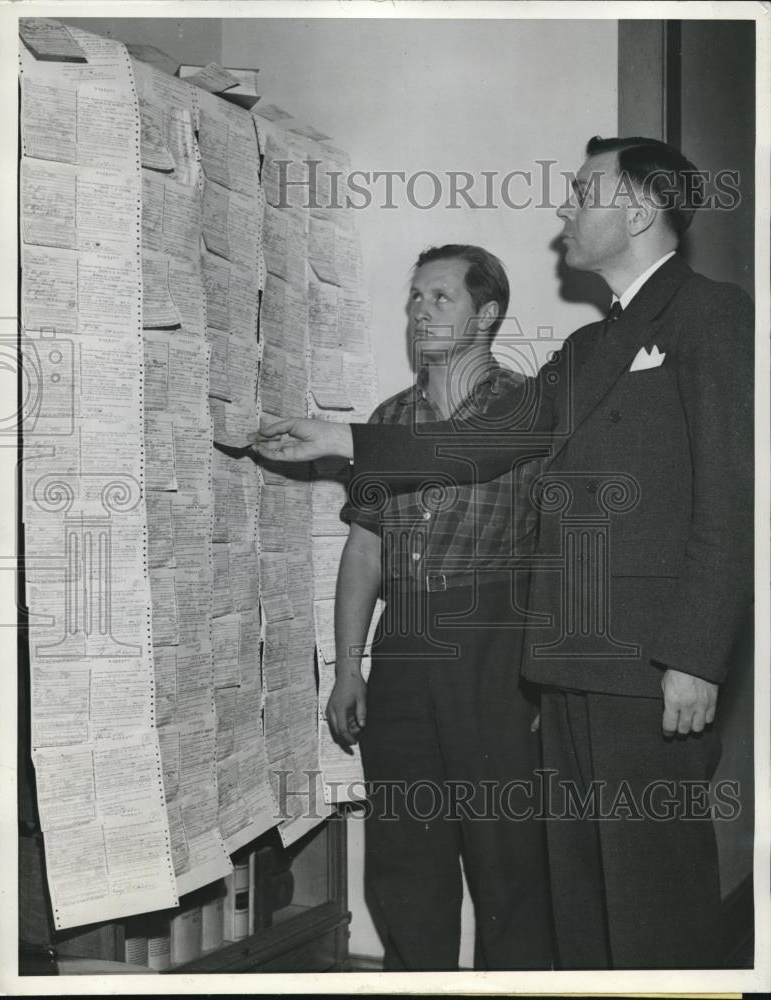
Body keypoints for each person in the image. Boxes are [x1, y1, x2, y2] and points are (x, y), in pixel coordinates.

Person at [252, 136, 754, 969]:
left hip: (649, 665)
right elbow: (488, 440)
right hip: (565, 664)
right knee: (579, 901)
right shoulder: (593, 348)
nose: (562, 208)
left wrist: (696, 655)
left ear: (635, 209)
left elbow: (733, 497)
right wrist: (343, 436)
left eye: (582, 192)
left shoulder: (712, 314)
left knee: (650, 898)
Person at [327, 244, 551, 970]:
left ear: (485, 315)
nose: (418, 311)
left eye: (440, 297)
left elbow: (565, 548)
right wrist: (349, 668)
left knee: (504, 855)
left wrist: (549, 671)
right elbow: (364, 550)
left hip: (494, 641)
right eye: (413, 297)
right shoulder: (388, 419)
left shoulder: (523, 411)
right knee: (403, 849)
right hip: (403, 645)